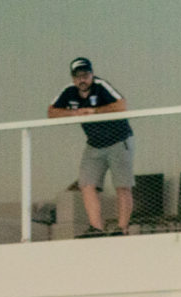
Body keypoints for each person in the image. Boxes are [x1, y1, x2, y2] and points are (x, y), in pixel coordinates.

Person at [48, 57, 134, 237]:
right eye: (78, 76)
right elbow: (51, 112)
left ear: (92, 74)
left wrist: (95, 111)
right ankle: (97, 228)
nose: (82, 79)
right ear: (73, 78)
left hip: (119, 140)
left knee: (122, 185)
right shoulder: (69, 91)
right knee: (86, 184)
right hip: (94, 144)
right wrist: (74, 113)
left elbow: (121, 105)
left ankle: (122, 228)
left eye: (86, 75)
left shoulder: (101, 86)